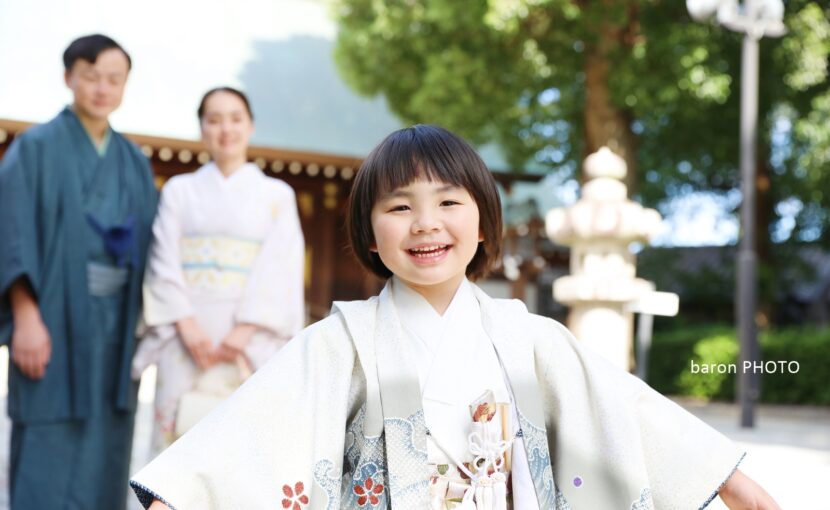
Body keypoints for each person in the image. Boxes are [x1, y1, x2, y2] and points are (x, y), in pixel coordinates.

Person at [130, 125, 779, 509]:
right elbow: (254, 430)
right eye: (399, 207)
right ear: (370, 233)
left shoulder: (530, 338)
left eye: (448, 200)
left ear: (481, 222)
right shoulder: (341, 342)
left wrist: (736, 485)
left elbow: (630, 412)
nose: (426, 224)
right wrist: (174, 499)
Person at [0, 34, 158, 509]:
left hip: (116, 326)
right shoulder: (35, 148)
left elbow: (158, 247)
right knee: (47, 443)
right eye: (90, 76)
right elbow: (11, 234)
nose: (101, 88)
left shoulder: (132, 160)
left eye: (114, 79)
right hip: (52, 318)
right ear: (69, 77)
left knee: (106, 447)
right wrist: (25, 318)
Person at [132, 87, 305, 454]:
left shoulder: (277, 194)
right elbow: (163, 258)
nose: (225, 129)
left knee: (243, 446)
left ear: (250, 125)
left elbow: (281, 265)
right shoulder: (180, 190)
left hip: (250, 339)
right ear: (201, 128)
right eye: (214, 119)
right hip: (185, 335)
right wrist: (186, 325)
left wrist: (242, 331)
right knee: (174, 445)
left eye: (235, 118)